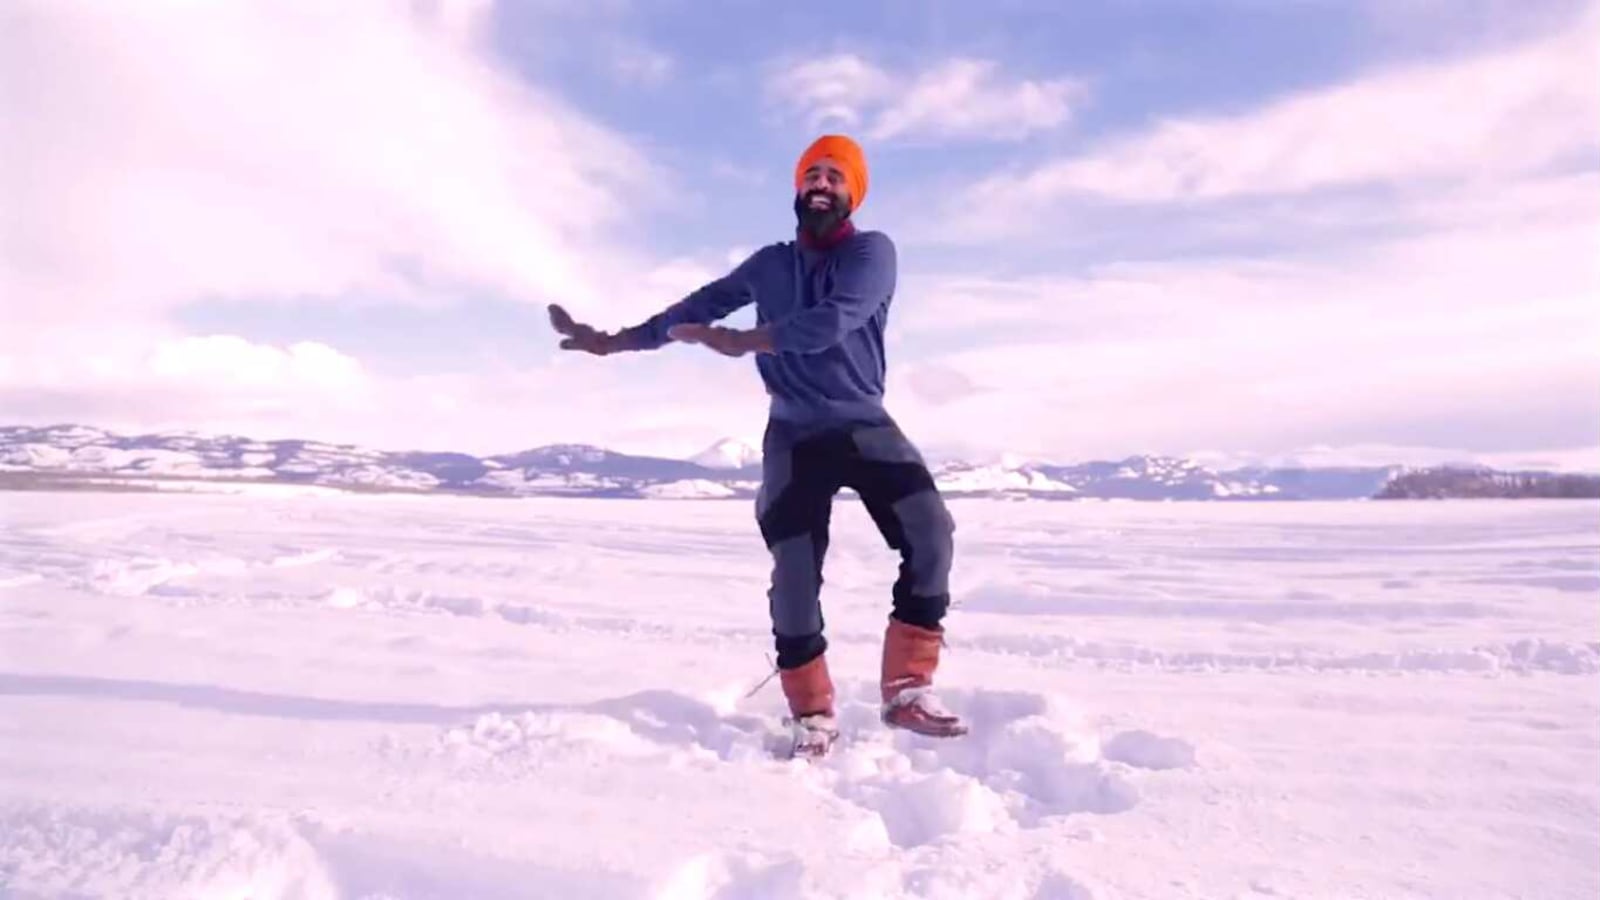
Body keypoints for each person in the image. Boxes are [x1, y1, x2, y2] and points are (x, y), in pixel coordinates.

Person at [547, 134, 964, 758]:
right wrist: (614, 341)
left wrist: (745, 343)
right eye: (811, 175)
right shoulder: (770, 264)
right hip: (795, 433)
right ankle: (813, 713)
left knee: (932, 534)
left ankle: (907, 688)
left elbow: (836, 319)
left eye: (833, 176)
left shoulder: (873, 253)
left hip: (864, 424)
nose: (820, 184)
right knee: (794, 573)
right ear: (798, 189)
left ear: (853, 193)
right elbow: (694, 309)